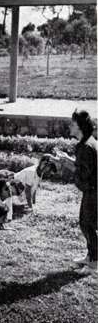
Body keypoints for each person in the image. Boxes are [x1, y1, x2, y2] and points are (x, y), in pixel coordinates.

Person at [55, 110, 97, 270]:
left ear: (79, 127)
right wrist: (68, 159)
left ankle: (94, 261)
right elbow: (85, 167)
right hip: (94, 189)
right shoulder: (89, 142)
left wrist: (66, 164)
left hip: (94, 190)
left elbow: (83, 174)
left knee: (88, 224)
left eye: (72, 124)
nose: (69, 126)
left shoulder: (85, 147)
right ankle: (91, 256)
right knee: (87, 223)